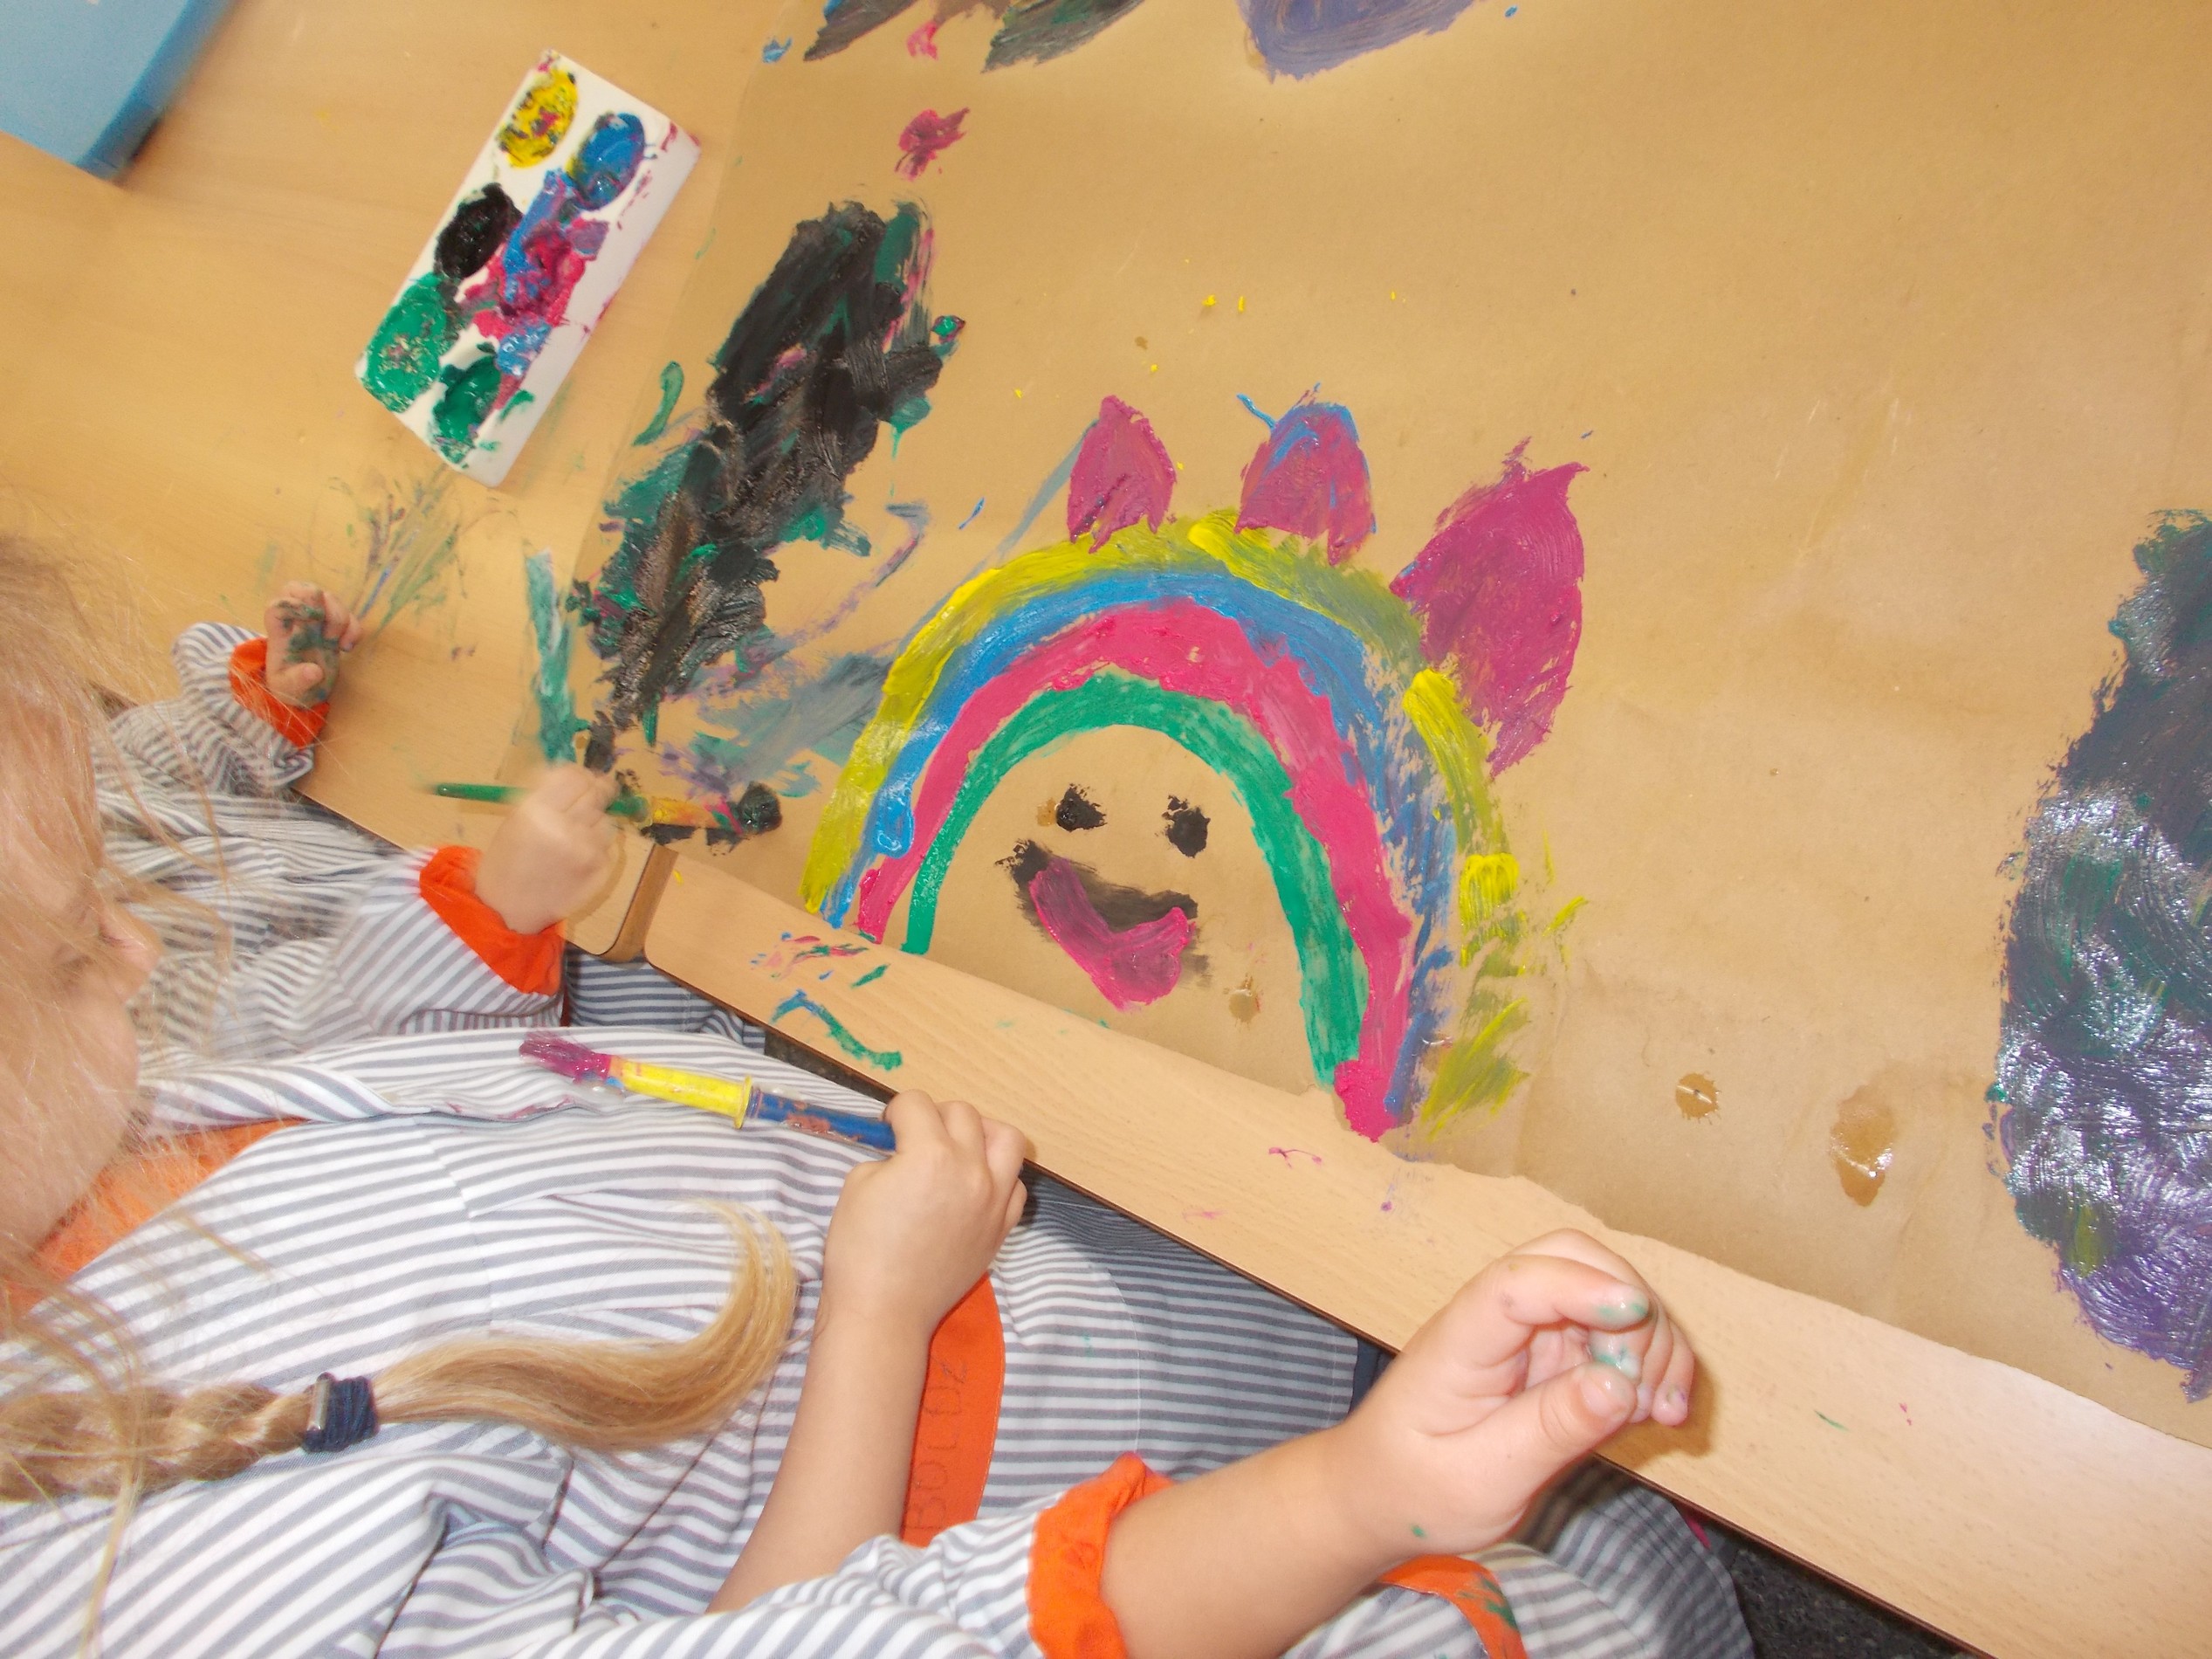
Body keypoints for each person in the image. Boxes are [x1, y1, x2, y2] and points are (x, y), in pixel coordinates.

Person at [0, 543, 1749, 1656]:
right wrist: (882, 1316)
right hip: (973, 1455)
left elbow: (345, 1058)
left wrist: (490, 909)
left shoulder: (67, 1139)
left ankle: (1392, 1405)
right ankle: (1640, 1560)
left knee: (1266, 1302)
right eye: (80, 951)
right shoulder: (186, 1587)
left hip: (926, 1234)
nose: (141, 956)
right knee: (1460, 1545)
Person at [98, 571, 759, 1066]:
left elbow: (152, 769)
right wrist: (496, 915)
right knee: (715, 937)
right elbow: (336, 1032)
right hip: (513, 1010)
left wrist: (266, 705)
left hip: (416, 869)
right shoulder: (126, 1024)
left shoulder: (78, 815)